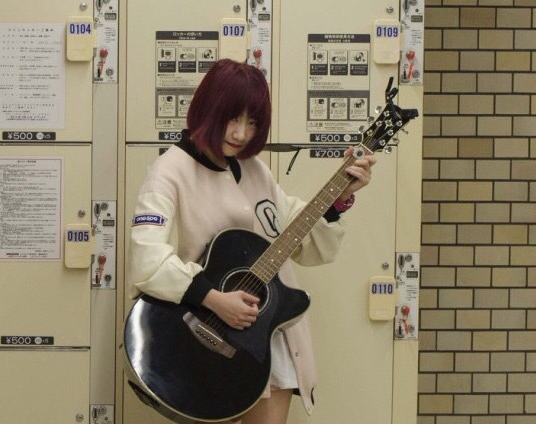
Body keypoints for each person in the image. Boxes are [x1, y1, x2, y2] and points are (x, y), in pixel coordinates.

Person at [127, 58, 376, 424]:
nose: (242, 133)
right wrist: (214, 299)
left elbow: (295, 231)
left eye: (253, 122)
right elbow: (147, 257)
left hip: (268, 334)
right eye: (233, 118)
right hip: (204, 336)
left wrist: (339, 198)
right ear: (208, 108)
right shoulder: (170, 171)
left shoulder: (254, 168)